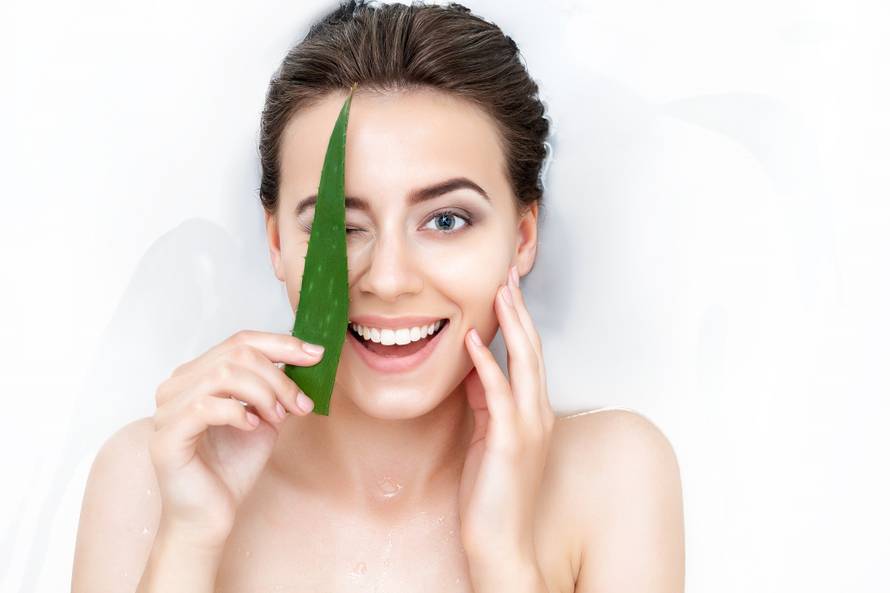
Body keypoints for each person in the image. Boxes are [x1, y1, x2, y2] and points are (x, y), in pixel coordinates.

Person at [71, 1, 684, 591]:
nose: (387, 280)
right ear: (277, 241)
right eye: (339, 225)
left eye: (446, 220)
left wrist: (503, 557)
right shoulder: (151, 478)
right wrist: (190, 542)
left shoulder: (612, 477)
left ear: (522, 238)